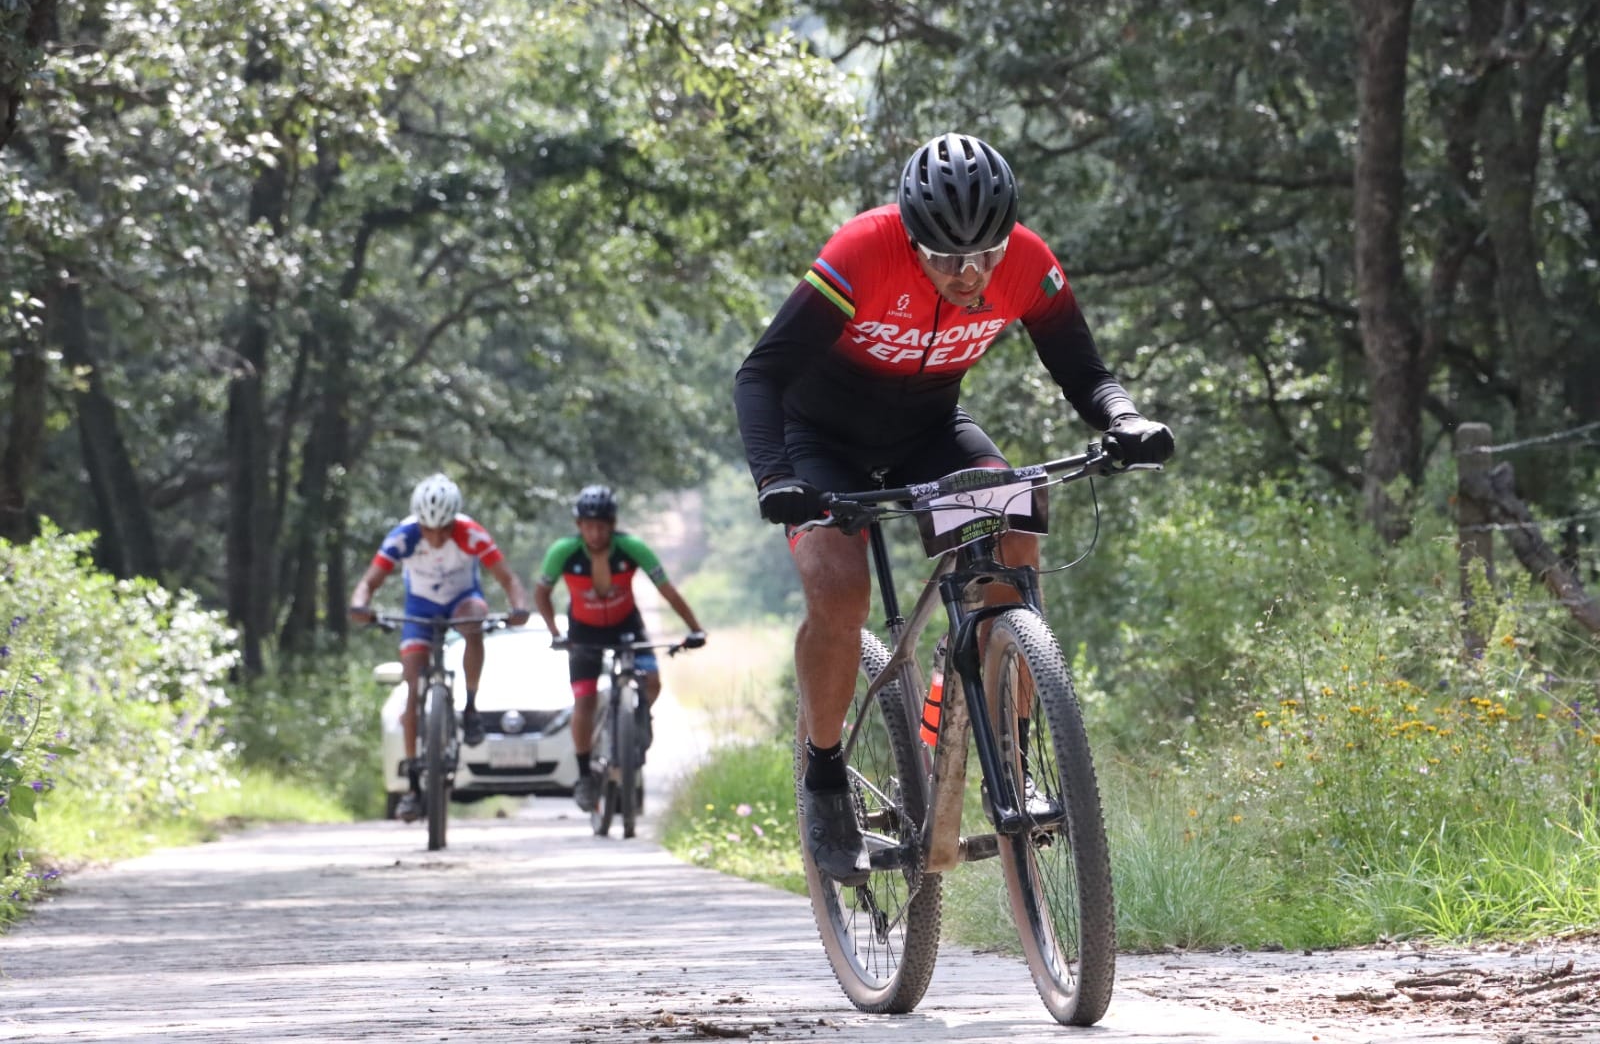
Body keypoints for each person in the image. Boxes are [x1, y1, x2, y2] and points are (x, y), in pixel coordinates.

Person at [732, 132, 1174, 884]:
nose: (970, 275)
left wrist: (1124, 419)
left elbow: (1083, 369)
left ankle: (1003, 716)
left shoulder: (1027, 262)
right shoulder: (862, 252)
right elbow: (761, 375)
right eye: (945, 258)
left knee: (1016, 528)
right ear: (910, 236)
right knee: (840, 589)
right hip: (821, 441)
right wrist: (776, 477)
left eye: (985, 255)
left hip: (930, 431)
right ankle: (826, 772)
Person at [349, 473, 531, 823]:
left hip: (463, 601)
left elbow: (508, 579)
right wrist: (360, 606)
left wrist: (518, 608)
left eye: (444, 529)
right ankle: (413, 785)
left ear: (454, 521)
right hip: (420, 607)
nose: (435, 537)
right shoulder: (403, 536)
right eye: (428, 530)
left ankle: (472, 705)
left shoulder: (472, 533)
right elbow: (369, 582)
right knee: (412, 684)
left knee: (474, 621)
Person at [533, 484, 707, 812]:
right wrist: (555, 632)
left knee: (653, 682)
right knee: (583, 702)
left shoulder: (632, 548)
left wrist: (694, 628)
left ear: (612, 526)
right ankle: (585, 776)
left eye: (602, 525)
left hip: (627, 626)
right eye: (588, 525)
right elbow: (541, 593)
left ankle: (637, 718)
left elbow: (667, 590)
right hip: (583, 632)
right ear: (578, 526)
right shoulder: (563, 551)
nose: (595, 532)